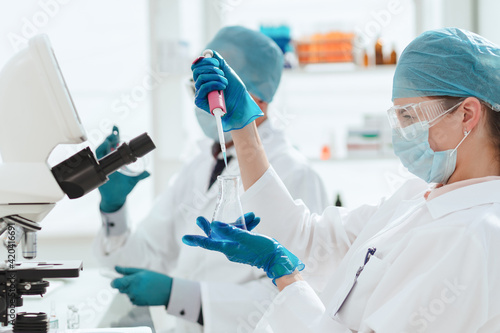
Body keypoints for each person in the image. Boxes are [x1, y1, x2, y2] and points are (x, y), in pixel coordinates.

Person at [185, 27, 500, 332]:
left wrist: (284, 274)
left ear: (467, 115)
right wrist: (243, 126)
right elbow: (307, 239)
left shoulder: (475, 234)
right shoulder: (417, 197)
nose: (401, 134)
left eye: (409, 117)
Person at [93, 26, 329, 333]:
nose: (201, 103)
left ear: (257, 99)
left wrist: (180, 295)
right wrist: (114, 209)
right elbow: (143, 263)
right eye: (196, 89)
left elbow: (300, 295)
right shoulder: (198, 166)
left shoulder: (296, 173)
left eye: (214, 91)